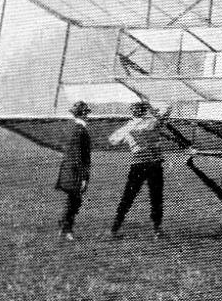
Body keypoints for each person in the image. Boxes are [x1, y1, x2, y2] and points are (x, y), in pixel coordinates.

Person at [108, 101, 166, 238]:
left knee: (128, 197)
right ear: (144, 110)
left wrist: (128, 137)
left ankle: (115, 228)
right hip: (154, 164)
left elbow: (113, 141)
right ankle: (157, 229)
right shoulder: (153, 121)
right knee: (156, 197)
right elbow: (166, 111)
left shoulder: (129, 126)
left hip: (138, 164)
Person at [57, 101, 94, 239]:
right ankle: (67, 229)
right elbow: (82, 157)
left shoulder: (71, 128)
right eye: (86, 113)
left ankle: (64, 227)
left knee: (72, 200)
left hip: (67, 169)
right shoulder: (81, 131)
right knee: (74, 201)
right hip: (76, 172)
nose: (88, 115)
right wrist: (84, 178)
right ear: (83, 114)